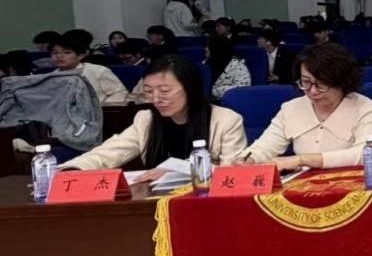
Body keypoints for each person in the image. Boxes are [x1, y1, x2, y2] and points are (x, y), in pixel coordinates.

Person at [61, 55, 246, 179]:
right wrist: (72, 169)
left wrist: (176, 170)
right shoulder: (146, 119)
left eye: (164, 91)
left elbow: (232, 174)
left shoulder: (226, 120)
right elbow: (109, 152)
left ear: (190, 88)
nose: (156, 99)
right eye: (149, 92)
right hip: (156, 200)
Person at [237, 43, 372, 170]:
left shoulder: (364, 107)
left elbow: (365, 154)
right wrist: (248, 159)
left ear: (343, 81)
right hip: (301, 184)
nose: (313, 91)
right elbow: (264, 147)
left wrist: (302, 160)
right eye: (306, 82)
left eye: (322, 83)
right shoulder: (291, 108)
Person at [50, 32, 128, 106]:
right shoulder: (50, 77)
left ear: (80, 55)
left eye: (67, 52)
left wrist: (102, 108)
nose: (59, 56)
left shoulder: (98, 71)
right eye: (55, 53)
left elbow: (119, 92)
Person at [207, 35, 252, 101]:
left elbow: (243, 88)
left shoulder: (238, 65)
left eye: (208, 46)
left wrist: (212, 91)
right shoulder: (207, 62)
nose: (206, 49)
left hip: (229, 102)